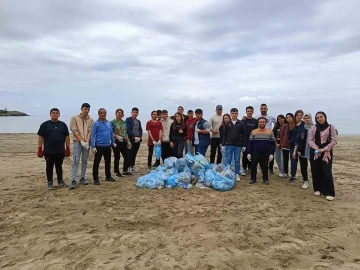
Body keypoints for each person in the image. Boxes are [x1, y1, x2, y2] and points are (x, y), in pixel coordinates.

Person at [37, 108, 70, 190]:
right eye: (53, 113)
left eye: (57, 113)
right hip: (49, 151)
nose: (55, 114)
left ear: (59, 115)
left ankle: (60, 181)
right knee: (49, 166)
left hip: (60, 150)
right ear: (50, 114)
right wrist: (40, 149)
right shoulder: (45, 125)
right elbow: (40, 137)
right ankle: (50, 182)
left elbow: (67, 137)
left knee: (59, 166)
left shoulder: (63, 125)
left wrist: (68, 148)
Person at [308, 111, 337, 201]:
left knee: (326, 172)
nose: (320, 119)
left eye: (321, 117)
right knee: (316, 171)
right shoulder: (314, 127)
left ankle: (329, 192)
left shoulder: (331, 127)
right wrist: (316, 148)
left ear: (325, 117)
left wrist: (324, 149)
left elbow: (334, 140)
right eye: (318, 118)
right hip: (315, 152)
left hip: (326, 153)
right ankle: (317, 189)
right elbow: (310, 139)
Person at [69, 103, 94, 189]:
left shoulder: (91, 119)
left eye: (88, 109)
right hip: (77, 142)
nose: (87, 111)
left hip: (86, 142)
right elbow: (74, 130)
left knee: (84, 161)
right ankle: (73, 179)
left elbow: (90, 131)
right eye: (85, 109)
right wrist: (81, 141)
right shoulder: (74, 118)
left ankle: (82, 178)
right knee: (75, 161)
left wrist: (86, 141)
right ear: (81, 109)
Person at [247, 117, 276, 185]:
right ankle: (253, 178)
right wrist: (248, 153)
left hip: (266, 153)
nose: (262, 123)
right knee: (253, 166)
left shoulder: (270, 132)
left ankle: (265, 179)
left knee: (265, 166)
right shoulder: (253, 132)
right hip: (255, 152)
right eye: (260, 122)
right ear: (258, 123)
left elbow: (273, 144)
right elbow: (250, 143)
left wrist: (271, 153)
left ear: (266, 123)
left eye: (263, 122)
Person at [90, 108, 116, 185]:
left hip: (108, 146)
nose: (103, 114)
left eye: (104, 113)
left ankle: (108, 176)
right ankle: (95, 179)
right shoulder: (96, 124)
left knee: (108, 162)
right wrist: (93, 146)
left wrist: (113, 142)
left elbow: (111, 133)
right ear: (99, 114)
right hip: (99, 146)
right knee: (96, 163)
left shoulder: (108, 123)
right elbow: (92, 135)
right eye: (101, 113)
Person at [222, 108, 245, 182]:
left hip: (238, 145)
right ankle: (228, 173)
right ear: (231, 114)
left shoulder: (241, 123)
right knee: (228, 160)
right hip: (229, 144)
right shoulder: (227, 123)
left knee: (237, 160)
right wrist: (223, 145)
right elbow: (225, 135)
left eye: (235, 113)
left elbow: (244, 135)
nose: (234, 114)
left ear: (237, 114)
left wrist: (244, 145)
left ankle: (236, 174)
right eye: (233, 113)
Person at [293, 112, 314, 189]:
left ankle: (316, 182)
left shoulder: (315, 127)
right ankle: (305, 181)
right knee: (303, 166)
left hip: (312, 150)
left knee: (314, 167)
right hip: (302, 150)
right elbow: (297, 140)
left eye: (308, 118)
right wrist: (295, 150)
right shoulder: (302, 128)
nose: (306, 119)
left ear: (311, 118)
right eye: (305, 118)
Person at [111, 108, 132, 178]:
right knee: (117, 157)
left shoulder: (124, 122)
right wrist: (116, 136)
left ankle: (125, 170)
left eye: (121, 113)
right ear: (116, 114)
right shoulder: (112, 122)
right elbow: (110, 133)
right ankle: (117, 172)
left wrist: (128, 141)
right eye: (119, 113)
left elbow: (125, 133)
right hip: (116, 141)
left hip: (123, 140)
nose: (120, 114)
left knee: (127, 156)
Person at [255, 104, 276, 174]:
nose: (263, 109)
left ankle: (270, 168)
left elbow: (276, 122)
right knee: (262, 153)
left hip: (269, 136)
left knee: (271, 152)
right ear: (260, 109)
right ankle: (262, 168)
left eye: (264, 108)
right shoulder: (257, 117)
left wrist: (273, 130)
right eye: (262, 108)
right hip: (260, 137)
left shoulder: (271, 117)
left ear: (267, 109)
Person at [288, 110, 305, 182]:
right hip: (292, 145)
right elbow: (289, 134)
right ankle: (293, 176)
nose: (299, 117)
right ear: (295, 116)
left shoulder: (304, 124)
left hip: (302, 146)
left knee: (303, 162)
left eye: (300, 115)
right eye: (298, 115)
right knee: (293, 161)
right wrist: (292, 141)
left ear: (302, 116)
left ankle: (304, 177)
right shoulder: (292, 123)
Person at [241, 106, 258, 175]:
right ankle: (245, 168)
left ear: (253, 112)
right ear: (246, 112)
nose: (249, 112)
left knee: (252, 155)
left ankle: (251, 168)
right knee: (244, 155)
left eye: (251, 111)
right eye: (248, 111)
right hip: (244, 141)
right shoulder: (242, 121)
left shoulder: (255, 121)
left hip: (253, 141)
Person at [126, 107, 143, 172]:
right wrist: (134, 137)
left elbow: (140, 130)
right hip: (131, 139)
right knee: (130, 153)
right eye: (134, 112)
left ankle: (132, 165)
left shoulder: (138, 121)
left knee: (134, 153)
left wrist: (140, 137)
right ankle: (128, 166)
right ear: (131, 112)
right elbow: (128, 129)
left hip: (138, 140)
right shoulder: (128, 120)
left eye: (136, 112)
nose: (135, 113)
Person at [280, 114, 292, 178]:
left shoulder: (294, 125)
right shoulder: (285, 125)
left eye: (290, 117)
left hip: (293, 146)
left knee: (293, 161)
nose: (288, 118)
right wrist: (282, 143)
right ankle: (285, 172)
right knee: (285, 160)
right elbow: (281, 135)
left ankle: (293, 174)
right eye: (287, 117)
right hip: (285, 145)